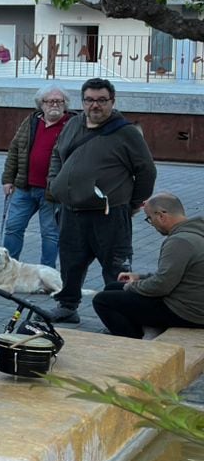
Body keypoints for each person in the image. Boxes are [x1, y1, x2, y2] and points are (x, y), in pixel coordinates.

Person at [47, 78, 157, 325]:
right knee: (70, 262)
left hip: (109, 214)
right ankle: (67, 306)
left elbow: (146, 170)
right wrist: (54, 184)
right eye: (89, 100)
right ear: (83, 101)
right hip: (72, 211)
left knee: (114, 267)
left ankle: (118, 314)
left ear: (112, 102)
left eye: (101, 100)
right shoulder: (74, 123)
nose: (95, 106)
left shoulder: (125, 132)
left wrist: (133, 203)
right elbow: (57, 153)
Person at [95, 194, 204, 338]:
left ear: (161, 216)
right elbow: (174, 274)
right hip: (193, 301)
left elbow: (161, 286)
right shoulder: (196, 231)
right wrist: (139, 277)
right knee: (113, 287)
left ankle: (136, 344)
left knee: (102, 301)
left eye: (150, 219)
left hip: (189, 312)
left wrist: (132, 286)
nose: (152, 224)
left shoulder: (180, 241)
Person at [1, 87, 71, 269]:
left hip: (52, 191)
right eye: (50, 101)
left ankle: (46, 273)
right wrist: (7, 179)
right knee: (13, 228)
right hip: (24, 187)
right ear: (41, 104)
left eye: (59, 101)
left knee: (50, 234)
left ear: (65, 104)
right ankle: (7, 269)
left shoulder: (73, 124)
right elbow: (15, 150)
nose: (55, 104)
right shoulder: (31, 121)